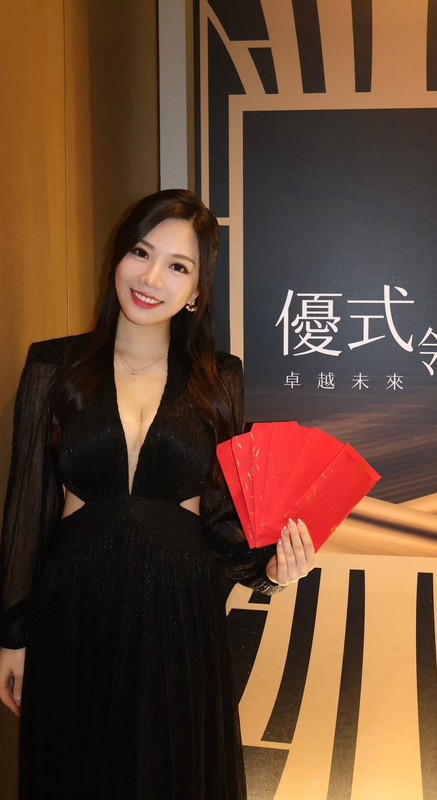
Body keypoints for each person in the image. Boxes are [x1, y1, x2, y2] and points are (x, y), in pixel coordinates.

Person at [0, 189, 315, 799]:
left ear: (196, 290)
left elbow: (220, 516)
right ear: (117, 257)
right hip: (74, 610)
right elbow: (27, 510)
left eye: (178, 266)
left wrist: (273, 570)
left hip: (181, 615)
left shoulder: (220, 379)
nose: (151, 278)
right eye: (141, 253)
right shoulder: (52, 367)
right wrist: (13, 634)